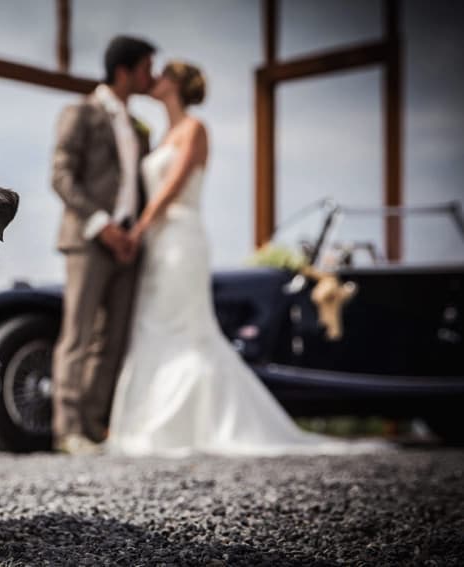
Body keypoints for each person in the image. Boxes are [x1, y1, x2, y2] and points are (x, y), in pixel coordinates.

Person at [106, 61, 386, 457]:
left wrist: (138, 230)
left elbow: (173, 185)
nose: (155, 79)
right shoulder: (164, 135)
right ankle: (147, 424)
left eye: (163, 74)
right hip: (157, 242)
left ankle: (188, 425)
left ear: (177, 84)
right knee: (152, 324)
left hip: (182, 237)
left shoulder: (195, 129)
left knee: (185, 326)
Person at [50, 36, 155, 455]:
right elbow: (61, 176)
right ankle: (67, 429)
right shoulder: (81, 112)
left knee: (111, 339)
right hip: (89, 240)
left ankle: (94, 428)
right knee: (78, 334)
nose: (152, 76)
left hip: (128, 244)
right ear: (125, 70)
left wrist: (132, 234)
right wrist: (102, 225)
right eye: (148, 67)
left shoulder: (138, 126)